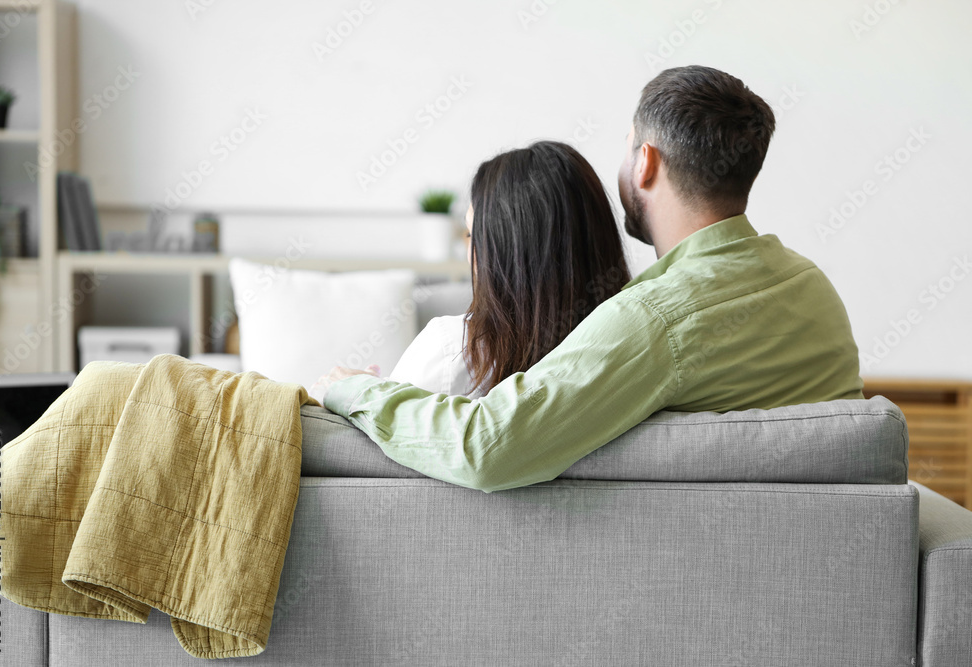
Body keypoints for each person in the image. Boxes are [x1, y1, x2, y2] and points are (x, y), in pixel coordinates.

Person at [310, 65, 864, 493]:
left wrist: (354, 389)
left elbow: (486, 448)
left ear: (645, 162)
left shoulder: (653, 320)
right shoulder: (812, 287)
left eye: (626, 147)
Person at [389, 141, 630, 398]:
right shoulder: (634, 350)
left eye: (472, 234)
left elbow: (378, 429)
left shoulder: (452, 349)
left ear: (505, 253)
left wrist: (363, 390)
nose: (469, 252)